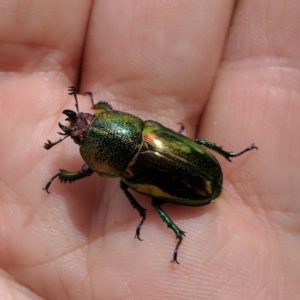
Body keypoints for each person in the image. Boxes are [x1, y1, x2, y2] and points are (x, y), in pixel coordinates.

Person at [0, 1, 299, 299]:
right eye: (79, 135)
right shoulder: (148, 132)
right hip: (187, 167)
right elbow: (106, 116)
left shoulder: (126, 171)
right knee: (168, 175)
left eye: (88, 119)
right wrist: (96, 111)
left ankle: (192, 208)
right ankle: (210, 183)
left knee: (152, 200)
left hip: (197, 177)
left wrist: (62, 175)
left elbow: (82, 173)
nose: (81, 126)